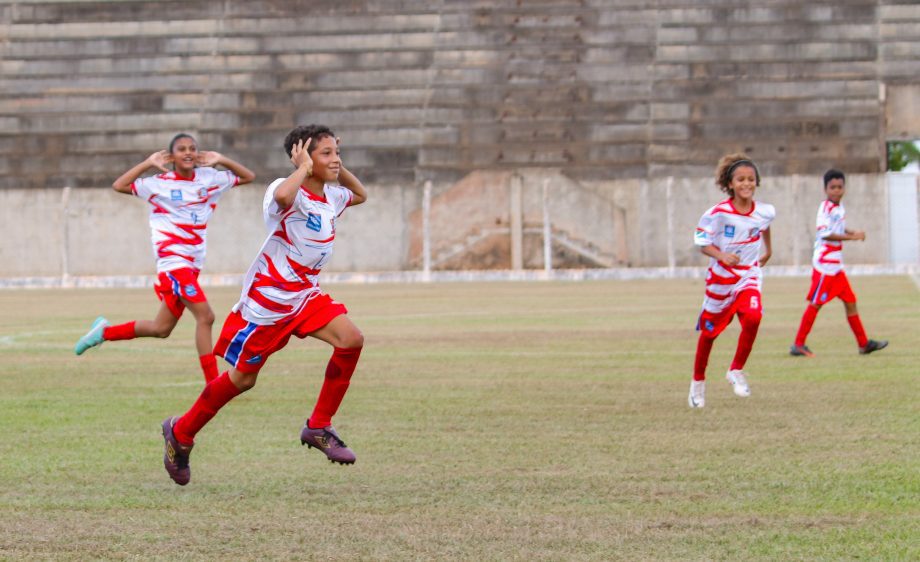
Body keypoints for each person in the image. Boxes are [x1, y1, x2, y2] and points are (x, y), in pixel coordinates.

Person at [161, 124, 367, 485]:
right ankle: (181, 433)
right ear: (303, 158)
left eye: (337, 152)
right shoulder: (284, 189)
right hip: (268, 305)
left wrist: (335, 165)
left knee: (351, 340)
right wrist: (302, 167)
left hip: (304, 297)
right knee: (242, 380)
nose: (335, 159)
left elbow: (360, 194)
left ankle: (318, 426)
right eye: (327, 153)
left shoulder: (332, 197)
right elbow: (286, 198)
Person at [73, 133, 255, 384]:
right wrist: (148, 163)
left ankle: (103, 332)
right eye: (181, 149)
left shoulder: (209, 178)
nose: (188, 152)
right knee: (206, 316)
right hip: (173, 263)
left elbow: (248, 177)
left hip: (192, 265)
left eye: (192, 148)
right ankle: (214, 384)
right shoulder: (159, 183)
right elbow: (119, 185)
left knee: (161, 328)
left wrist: (221, 159)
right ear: (171, 157)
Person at [688, 154, 775, 409]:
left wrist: (768, 250)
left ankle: (736, 370)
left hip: (748, 276)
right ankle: (697, 383)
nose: (746, 184)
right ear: (730, 183)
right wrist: (722, 256)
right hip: (720, 281)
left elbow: (765, 224)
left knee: (754, 316)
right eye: (741, 179)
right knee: (709, 334)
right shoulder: (717, 213)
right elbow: (702, 243)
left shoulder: (765, 210)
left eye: (751, 179)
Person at [789, 169, 887, 357]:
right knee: (816, 304)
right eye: (832, 187)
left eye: (839, 187)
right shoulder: (825, 208)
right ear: (825, 189)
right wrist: (852, 238)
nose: (836, 190)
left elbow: (838, 228)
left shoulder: (839, 208)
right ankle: (798, 344)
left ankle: (863, 344)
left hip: (836, 266)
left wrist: (851, 232)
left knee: (851, 302)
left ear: (844, 188)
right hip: (825, 266)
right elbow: (825, 233)